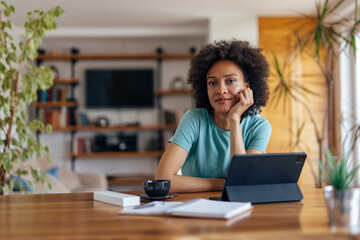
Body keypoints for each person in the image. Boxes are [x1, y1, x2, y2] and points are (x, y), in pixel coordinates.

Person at [155, 39, 271, 193]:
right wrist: (221, 184)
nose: (220, 89)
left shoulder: (259, 127)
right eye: (212, 83)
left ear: (247, 87)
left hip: (240, 207)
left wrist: (234, 119)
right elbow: (163, 179)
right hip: (197, 207)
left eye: (230, 81)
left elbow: (243, 180)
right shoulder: (194, 120)